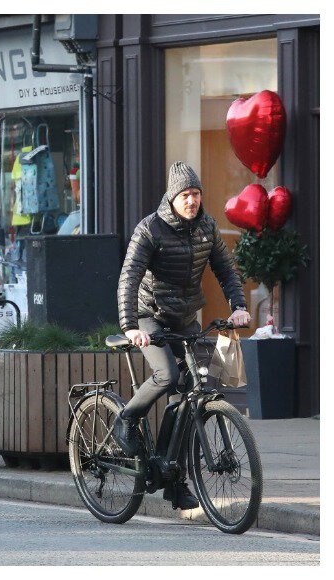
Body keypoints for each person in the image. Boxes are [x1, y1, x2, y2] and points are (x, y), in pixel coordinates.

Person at [113, 161, 250, 509]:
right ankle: (126, 420)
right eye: (185, 195)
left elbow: (225, 268)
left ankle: (174, 480)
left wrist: (238, 305)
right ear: (172, 198)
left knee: (191, 394)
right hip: (150, 316)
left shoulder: (206, 226)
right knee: (168, 375)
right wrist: (130, 326)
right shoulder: (150, 230)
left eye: (196, 194)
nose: (192, 201)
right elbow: (129, 277)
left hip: (185, 316)